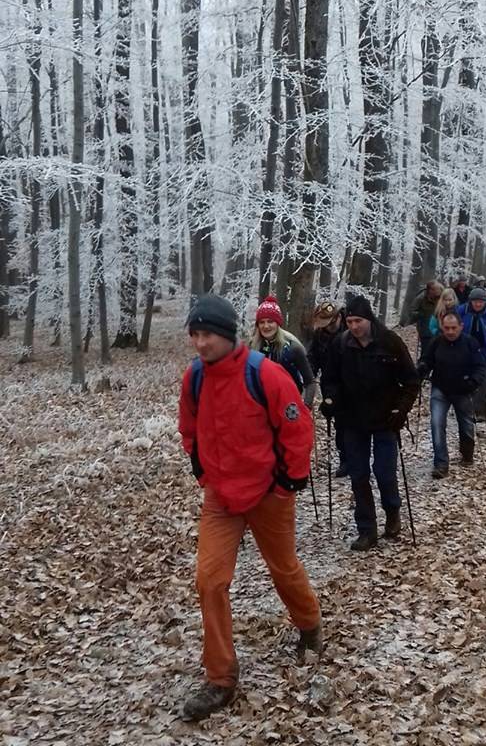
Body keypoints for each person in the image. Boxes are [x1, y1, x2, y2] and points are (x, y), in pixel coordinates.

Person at [178, 294, 322, 721]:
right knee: (209, 581)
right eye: (194, 335)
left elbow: (297, 427)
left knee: (283, 567)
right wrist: (202, 471)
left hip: (267, 493)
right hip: (221, 497)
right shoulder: (195, 378)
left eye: (207, 334)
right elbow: (189, 428)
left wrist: (288, 482)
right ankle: (220, 677)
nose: (200, 343)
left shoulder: (266, 374)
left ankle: (309, 623)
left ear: (227, 334)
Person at [322, 295, 419, 551]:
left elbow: (411, 381)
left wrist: (401, 410)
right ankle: (366, 529)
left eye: (359, 321)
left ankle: (392, 511)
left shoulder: (390, 342)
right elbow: (330, 379)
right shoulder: (340, 345)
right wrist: (330, 400)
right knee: (358, 474)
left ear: (369, 319)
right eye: (350, 321)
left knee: (384, 471)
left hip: (386, 418)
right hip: (352, 419)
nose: (354, 326)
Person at [418, 311, 486, 479]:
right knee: (436, 424)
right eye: (447, 328)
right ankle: (441, 464)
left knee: (466, 425)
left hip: (463, 390)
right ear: (442, 327)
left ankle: (467, 454)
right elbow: (427, 360)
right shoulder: (436, 342)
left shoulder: (470, 343)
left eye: (453, 328)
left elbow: (480, 366)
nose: (450, 331)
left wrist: (473, 381)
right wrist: (422, 368)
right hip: (440, 389)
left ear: (461, 327)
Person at [307, 301, 348, 477]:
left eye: (331, 324)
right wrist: (309, 374)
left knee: (353, 422)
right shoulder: (319, 335)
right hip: (331, 385)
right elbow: (313, 357)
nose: (328, 328)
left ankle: (357, 456)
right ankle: (345, 459)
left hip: (352, 382)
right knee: (340, 422)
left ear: (338, 317)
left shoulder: (350, 330)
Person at [251, 295, 316, 407]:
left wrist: (306, 406)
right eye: (262, 322)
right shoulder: (252, 348)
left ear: (278, 324)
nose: (266, 326)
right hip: (260, 406)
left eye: (270, 321)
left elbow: (310, 382)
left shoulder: (293, 348)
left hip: (288, 406)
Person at [457, 288, 486, 413]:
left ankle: (480, 410)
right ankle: (465, 408)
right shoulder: (462, 311)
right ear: (470, 301)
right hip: (465, 351)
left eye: (481, 302)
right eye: (475, 301)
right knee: (465, 379)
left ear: (485, 302)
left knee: (484, 381)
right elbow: (453, 326)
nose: (478, 304)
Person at [407, 280, 443, 357]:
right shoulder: (421, 298)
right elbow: (412, 312)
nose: (438, 291)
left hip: (438, 327)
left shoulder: (441, 297)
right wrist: (422, 314)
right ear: (431, 290)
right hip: (425, 328)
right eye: (437, 289)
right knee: (426, 350)